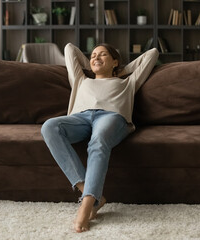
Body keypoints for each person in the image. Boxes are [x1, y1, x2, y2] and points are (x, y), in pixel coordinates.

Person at [41, 43, 159, 232]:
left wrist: (121, 70)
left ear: (115, 61)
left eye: (103, 55)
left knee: (99, 139)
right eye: (93, 55)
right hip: (79, 118)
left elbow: (152, 53)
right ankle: (93, 195)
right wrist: (96, 62)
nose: (96, 57)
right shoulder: (80, 79)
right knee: (49, 127)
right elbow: (70, 48)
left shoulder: (128, 82)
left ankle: (86, 204)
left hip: (111, 117)